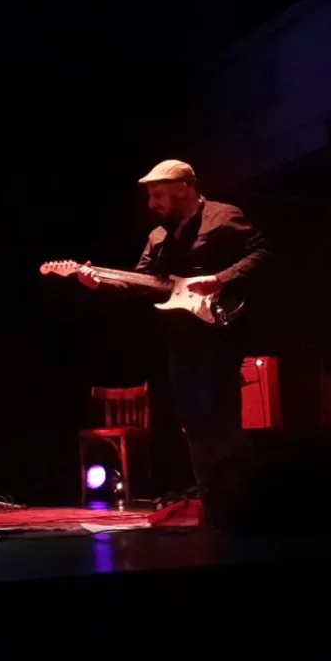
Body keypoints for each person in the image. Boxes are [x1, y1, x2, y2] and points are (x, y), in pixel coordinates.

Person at [76, 159, 272, 528]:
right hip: (181, 341)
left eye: (159, 194)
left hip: (220, 333)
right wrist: (98, 282)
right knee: (194, 422)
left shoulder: (223, 217)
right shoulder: (157, 238)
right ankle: (216, 507)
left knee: (222, 420)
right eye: (151, 196)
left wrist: (221, 279)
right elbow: (140, 282)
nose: (153, 204)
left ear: (184, 187)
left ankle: (245, 504)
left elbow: (263, 255)